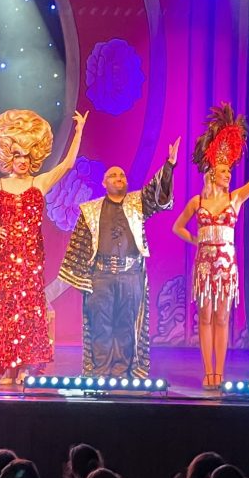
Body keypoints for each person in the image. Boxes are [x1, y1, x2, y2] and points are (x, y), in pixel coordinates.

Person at [172, 104, 249, 390]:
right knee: (205, 317)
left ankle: (219, 373)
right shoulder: (197, 202)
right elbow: (177, 227)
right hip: (204, 265)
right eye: (223, 170)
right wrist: (195, 239)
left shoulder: (235, 198)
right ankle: (207, 371)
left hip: (225, 264)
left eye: (229, 171)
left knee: (222, 317)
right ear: (212, 173)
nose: (228, 174)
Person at [0, 108, 89, 387]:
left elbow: (68, 165)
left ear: (32, 158)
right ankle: (8, 368)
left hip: (31, 256)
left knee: (29, 308)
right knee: (8, 308)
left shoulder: (39, 182)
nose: (22, 161)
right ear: (9, 159)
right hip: (7, 256)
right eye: (17, 156)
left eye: (26, 156)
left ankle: (26, 365)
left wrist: (79, 131)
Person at [58, 140, 180, 378]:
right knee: (100, 325)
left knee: (127, 324)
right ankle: (100, 372)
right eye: (113, 175)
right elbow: (79, 245)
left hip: (131, 274)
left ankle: (122, 372)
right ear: (104, 183)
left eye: (122, 175)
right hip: (100, 276)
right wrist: (82, 278)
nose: (119, 178)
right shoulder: (90, 210)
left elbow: (158, 195)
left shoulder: (137, 203)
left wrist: (169, 165)